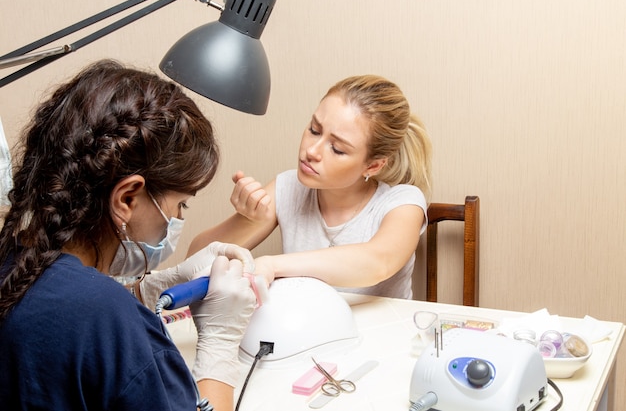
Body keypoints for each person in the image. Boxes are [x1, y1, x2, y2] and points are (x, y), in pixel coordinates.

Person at [0, 60, 257, 411]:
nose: (178, 218)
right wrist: (219, 347)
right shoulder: (114, 326)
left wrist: (143, 290)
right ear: (127, 198)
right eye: (181, 205)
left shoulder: (14, 262)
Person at [189, 75, 432, 299]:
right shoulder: (289, 187)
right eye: (314, 130)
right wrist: (246, 221)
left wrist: (274, 265)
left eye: (337, 149)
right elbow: (194, 262)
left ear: (373, 166)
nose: (311, 151)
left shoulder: (403, 202)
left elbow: (378, 262)